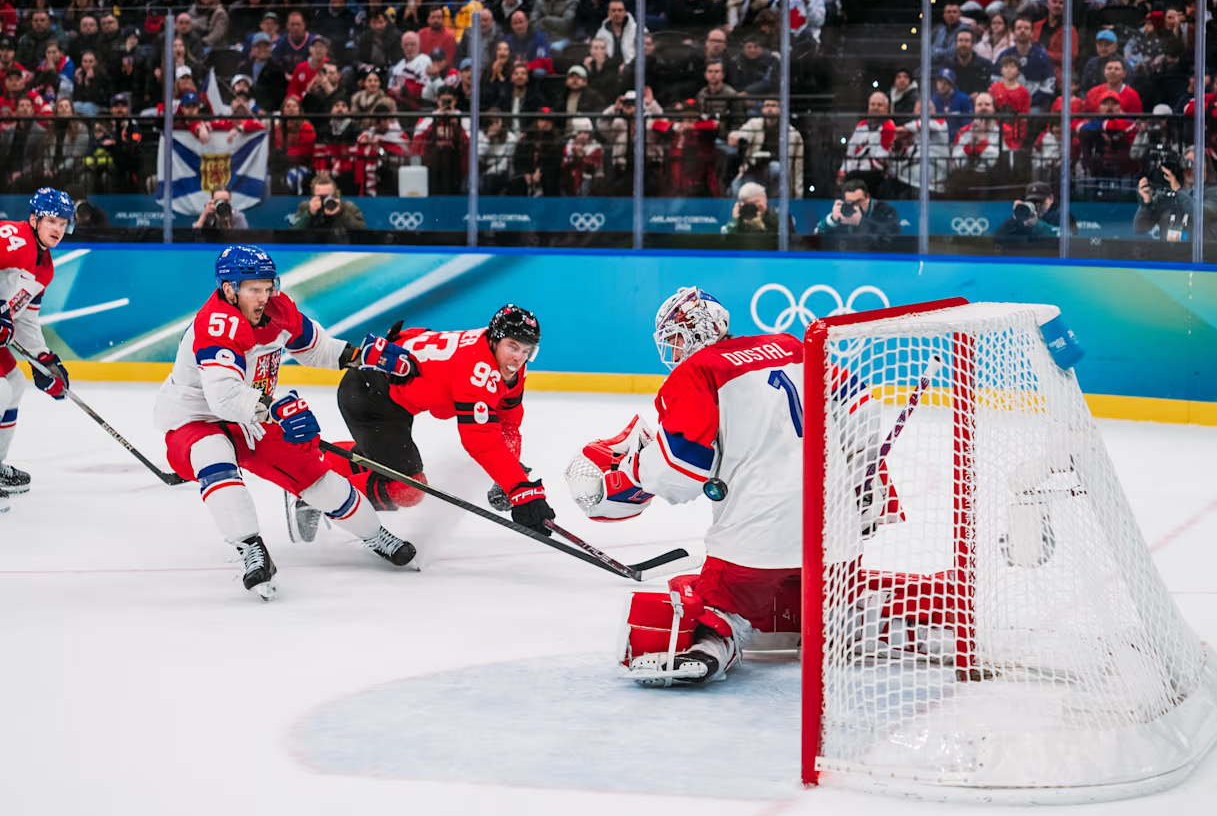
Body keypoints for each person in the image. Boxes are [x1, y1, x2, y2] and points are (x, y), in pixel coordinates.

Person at [566, 287, 803, 686]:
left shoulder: (699, 370)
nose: (674, 352)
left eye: (676, 339)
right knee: (823, 585)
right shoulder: (793, 347)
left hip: (757, 539)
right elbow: (857, 413)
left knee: (712, 597)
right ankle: (856, 620)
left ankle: (712, 647)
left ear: (699, 330)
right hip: (831, 534)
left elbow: (681, 473)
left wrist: (633, 469)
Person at [153, 246, 416, 600]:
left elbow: (316, 349)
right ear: (229, 289)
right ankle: (250, 548)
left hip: (252, 415)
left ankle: (374, 534)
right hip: (195, 419)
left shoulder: (279, 309)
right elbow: (224, 397)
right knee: (214, 456)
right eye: (254, 289)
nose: (264, 297)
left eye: (268, 287)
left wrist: (361, 356)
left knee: (313, 474)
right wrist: (276, 409)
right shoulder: (216, 323)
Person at [301, 305, 557, 541]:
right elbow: (481, 440)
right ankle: (316, 495)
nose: (518, 358)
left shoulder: (508, 365)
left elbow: (507, 424)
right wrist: (522, 492)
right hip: (370, 396)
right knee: (406, 489)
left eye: (527, 351)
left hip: (392, 396)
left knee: (387, 465)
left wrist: (512, 480)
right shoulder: (476, 368)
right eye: (513, 346)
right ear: (494, 339)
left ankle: (317, 465)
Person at [0, 188, 74, 509]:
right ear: (34, 220)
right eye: (52, 221)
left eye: (63, 223)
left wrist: (42, 359)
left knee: (14, 383)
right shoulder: (13, 237)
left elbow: (25, 318)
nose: (58, 229)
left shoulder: (45, 268)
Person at [1133, 147, 1217, 242]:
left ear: (1206, 168)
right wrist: (1146, 204)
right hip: (1168, 251)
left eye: (1196, 164)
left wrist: (1178, 190)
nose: (1191, 167)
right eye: (1187, 163)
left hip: (1198, 251)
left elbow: (1201, 215)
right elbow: (1140, 229)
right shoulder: (1166, 196)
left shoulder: (1216, 194)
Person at [816, 177, 901, 246]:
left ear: (867, 197)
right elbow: (817, 236)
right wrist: (832, 220)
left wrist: (861, 222)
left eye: (859, 202)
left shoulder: (885, 210)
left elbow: (892, 238)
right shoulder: (845, 211)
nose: (856, 206)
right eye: (851, 203)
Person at [293, 172, 366, 231]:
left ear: (335, 195)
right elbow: (292, 232)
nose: (324, 200)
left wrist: (341, 213)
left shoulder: (347, 207)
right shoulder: (305, 206)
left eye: (328, 196)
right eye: (320, 197)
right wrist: (309, 214)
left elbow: (362, 231)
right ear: (313, 196)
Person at [994, 181, 1059, 244]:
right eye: (1032, 201)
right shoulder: (1024, 218)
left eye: (1040, 201)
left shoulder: (1059, 217)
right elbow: (998, 238)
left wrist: (1037, 225)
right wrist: (1014, 220)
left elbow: (1060, 237)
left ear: (1051, 198)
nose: (1036, 205)